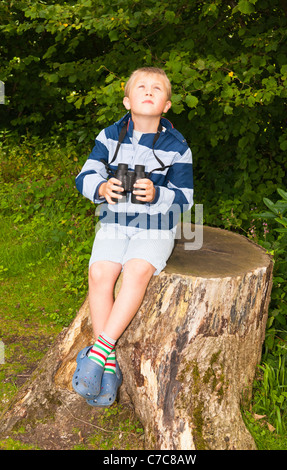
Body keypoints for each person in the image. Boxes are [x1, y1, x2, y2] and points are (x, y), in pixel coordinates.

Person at [72, 67, 193, 407]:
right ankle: (106, 364)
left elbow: (185, 197)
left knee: (136, 271)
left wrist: (158, 193)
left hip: (156, 225)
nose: (149, 91)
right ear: (128, 100)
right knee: (100, 273)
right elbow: (86, 172)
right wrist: (99, 186)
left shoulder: (178, 147)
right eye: (141, 86)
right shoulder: (110, 136)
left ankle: (97, 354)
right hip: (114, 220)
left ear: (166, 105)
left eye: (157, 88)